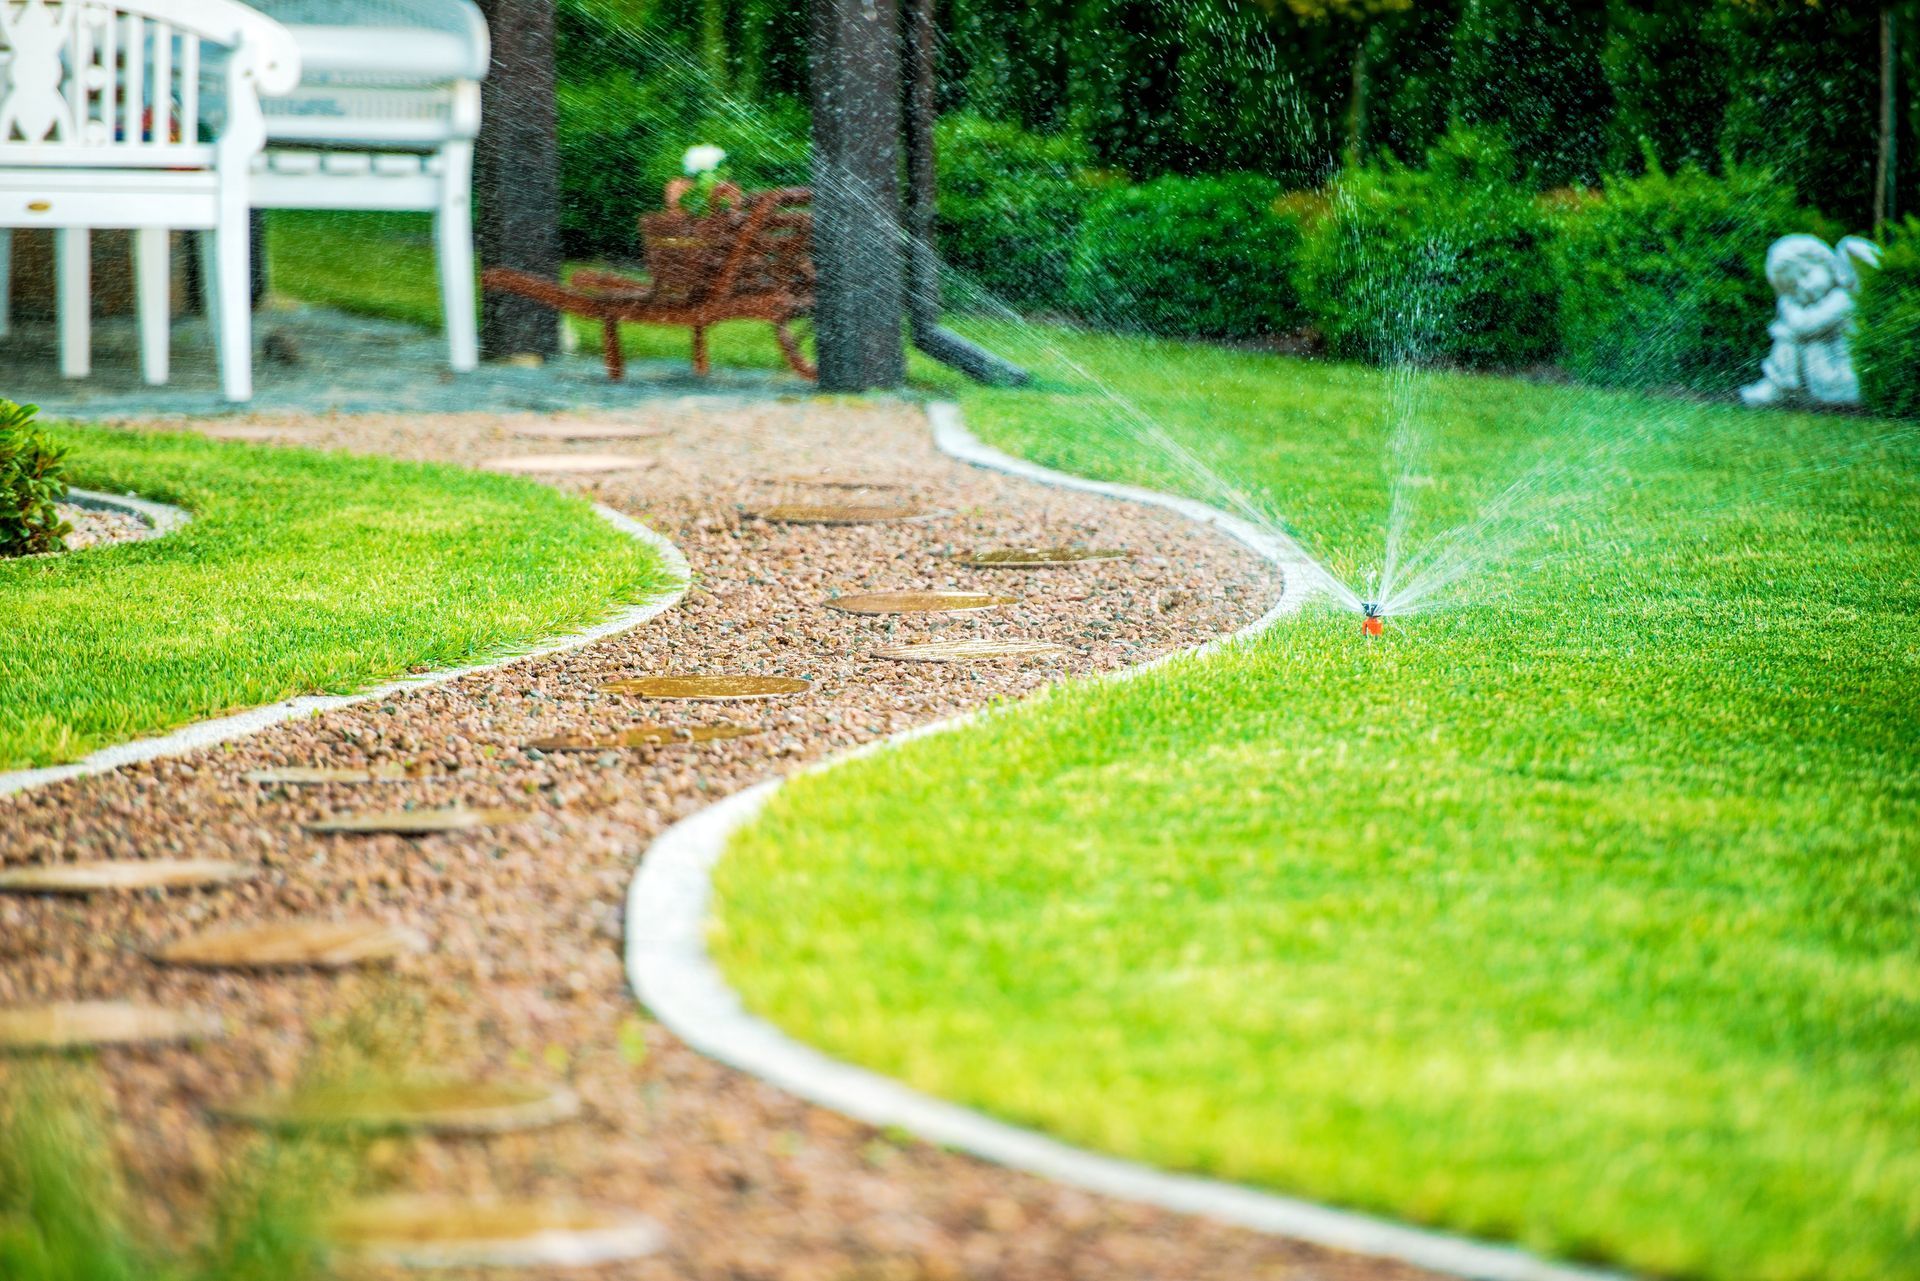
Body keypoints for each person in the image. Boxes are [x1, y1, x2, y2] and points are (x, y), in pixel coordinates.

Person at [1740, 235, 1880, 407]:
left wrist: (1786, 304)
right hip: (1822, 374)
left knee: (1790, 334)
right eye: (1794, 286)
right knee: (1790, 334)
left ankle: (1779, 388)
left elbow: (1805, 326)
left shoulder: (1842, 298)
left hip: (1843, 378)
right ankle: (1781, 387)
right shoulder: (1832, 297)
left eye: (1805, 273)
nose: (1804, 286)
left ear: (1825, 261)